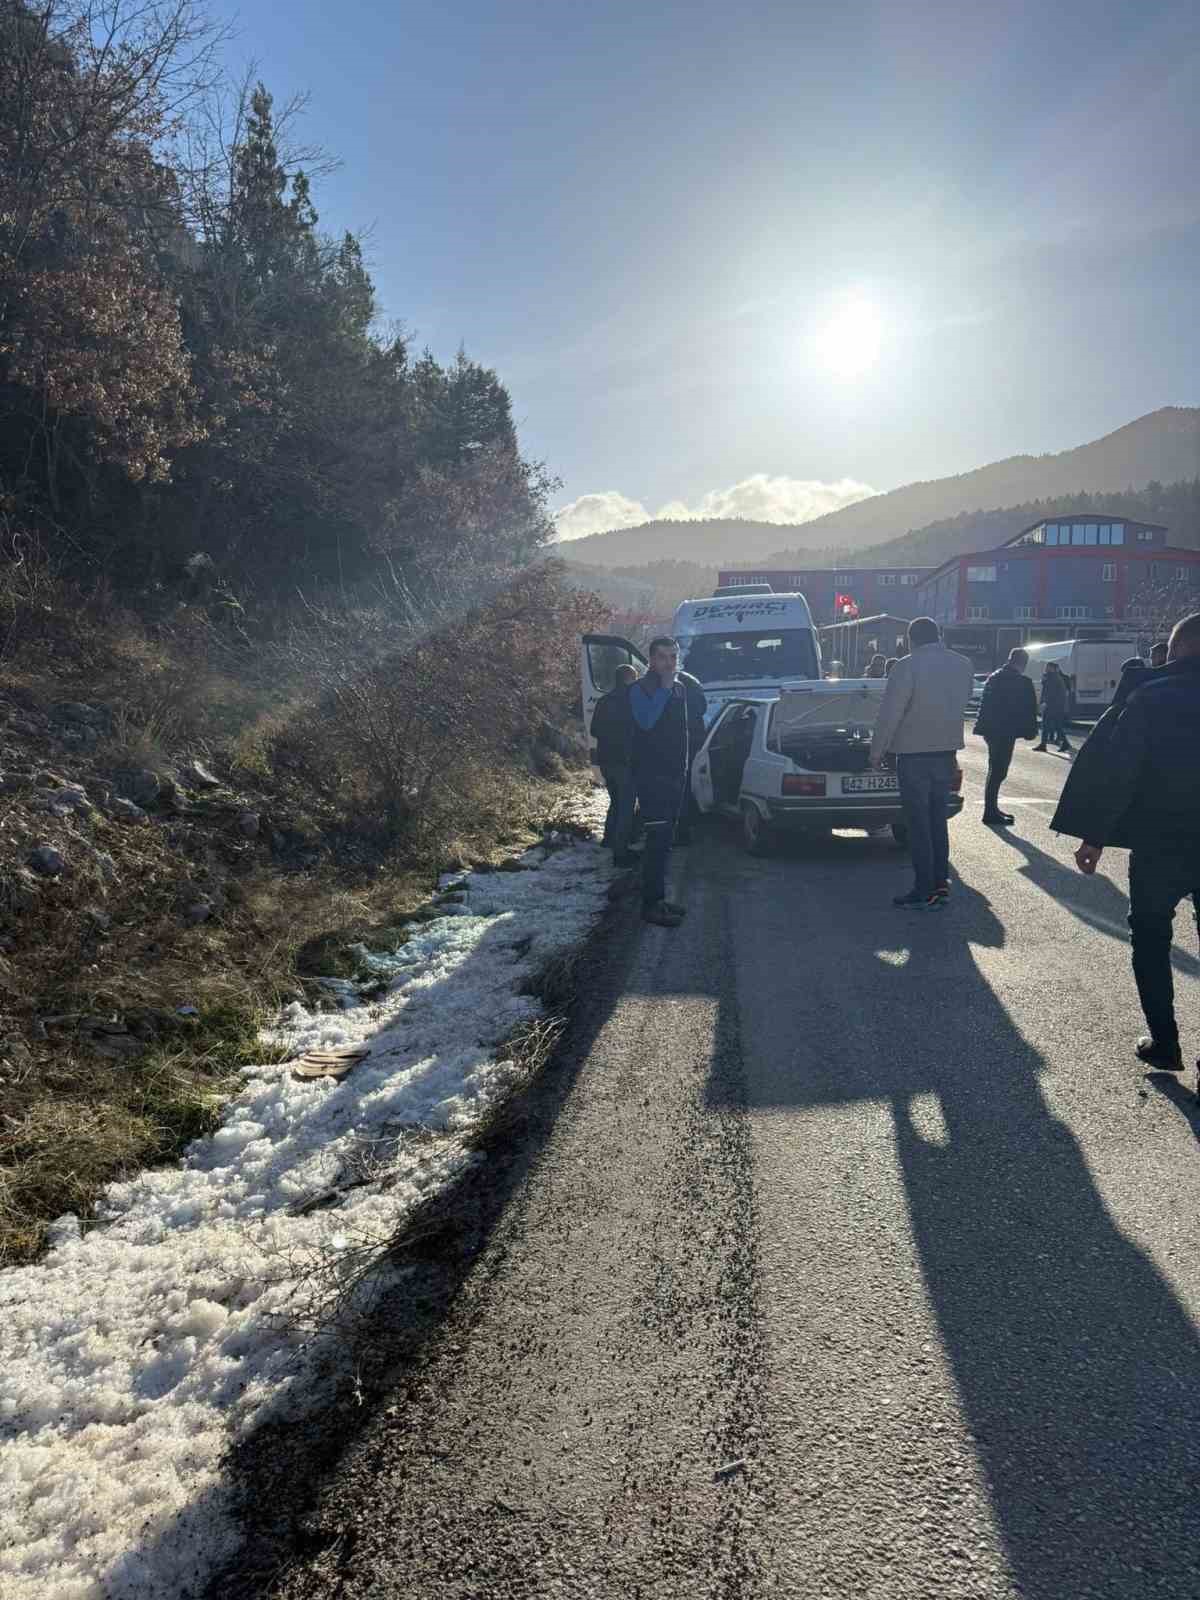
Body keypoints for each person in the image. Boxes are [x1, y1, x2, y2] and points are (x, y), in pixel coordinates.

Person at [1052, 612, 1200, 1075]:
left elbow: (1120, 772)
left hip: (1161, 842)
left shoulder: (1151, 697)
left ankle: (1165, 1042)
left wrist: (1094, 836)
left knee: (1152, 938)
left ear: (1176, 650)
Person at [870, 617, 974, 910]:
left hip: (913, 756)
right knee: (937, 821)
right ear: (938, 635)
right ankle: (941, 883)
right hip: (947, 753)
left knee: (918, 825)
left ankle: (923, 888)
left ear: (911, 639)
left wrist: (877, 752)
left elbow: (890, 714)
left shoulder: (906, 666)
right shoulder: (963, 664)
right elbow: (964, 700)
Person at [630, 637, 691, 927]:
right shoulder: (641, 689)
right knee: (656, 842)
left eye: (673, 656)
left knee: (666, 843)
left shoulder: (680, 688)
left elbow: (681, 734)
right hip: (652, 776)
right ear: (651, 661)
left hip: (675, 774)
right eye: (663, 657)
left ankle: (658, 897)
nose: (670, 662)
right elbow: (645, 721)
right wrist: (664, 691)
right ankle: (650, 906)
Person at [974, 648, 1039, 825]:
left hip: (991, 731)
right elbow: (1029, 709)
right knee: (999, 771)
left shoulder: (994, 677)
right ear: (1023, 663)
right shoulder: (1021, 681)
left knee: (994, 769)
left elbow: (984, 705)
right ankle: (990, 812)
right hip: (1005, 731)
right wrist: (1031, 731)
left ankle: (992, 808)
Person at [591, 663, 638, 865]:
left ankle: (608, 839)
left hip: (605, 761)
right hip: (624, 761)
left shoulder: (603, 701)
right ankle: (621, 853)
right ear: (629, 679)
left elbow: (594, 730)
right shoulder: (632, 701)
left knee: (615, 801)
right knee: (627, 807)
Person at [672, 668, 708, 846]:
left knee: (679, 788)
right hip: (696, 738)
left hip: (680, 740)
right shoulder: (693, 682)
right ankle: (690, 822)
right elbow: (703, 707)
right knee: (689, 783)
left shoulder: (672, 684)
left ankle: (681, 831)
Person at [1034, 660, 1072, 752]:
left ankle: (1045, 745)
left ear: (1052, 668)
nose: (1046, 668)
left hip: (1052, 705)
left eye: (1048, 667)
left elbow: (1050, 692)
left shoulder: (1053, 677)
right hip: (1055, 705)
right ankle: (1062, 743)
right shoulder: (1053, 677)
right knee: (1054, 725)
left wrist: (1044, 703)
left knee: (1048, 724)